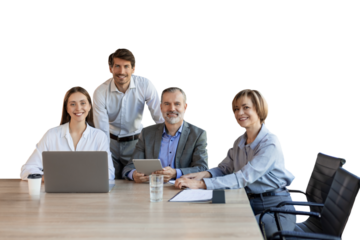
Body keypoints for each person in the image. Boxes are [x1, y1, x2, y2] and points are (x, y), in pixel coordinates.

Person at [174, 87, 296, 238]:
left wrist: (201, 184)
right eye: (236, 109)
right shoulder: (240, 139)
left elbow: (242, 178)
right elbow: (224, 168)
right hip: (247, 199)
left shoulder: (269, 143)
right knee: (206, 216)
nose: (239, 113)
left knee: (236, 232)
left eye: (246, 108)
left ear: (258, 109)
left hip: (275, 208)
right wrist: (198, 176)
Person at [93, 46, 164, 179]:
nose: (122, 71)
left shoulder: (146, 85)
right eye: (117, 66)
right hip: (110, 143)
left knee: (139, 181)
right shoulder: (100, 91)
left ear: (133, 68)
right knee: (107, 181)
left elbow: (159, 120)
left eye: (126, 66)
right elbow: (101, 131)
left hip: (136, 143)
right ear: (110, 68)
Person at [19, 84, 115, 180]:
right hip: (56, 192)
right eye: (73, 104)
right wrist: (50, 179)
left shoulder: (99, 137)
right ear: (66, 108)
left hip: (88, 193)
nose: (78, 108)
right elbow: (26, 170)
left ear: (90, 106)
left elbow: (109, 174)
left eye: (83, 103)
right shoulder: (51, 135)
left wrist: (80, 178)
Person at [123, 85, 209, 183]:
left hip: (182, 189)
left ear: (185, 107)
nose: (172, 109)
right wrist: (133, 174)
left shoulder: (198, 134)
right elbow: (129, 167)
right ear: (161, 107)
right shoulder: (147, 132)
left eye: (177, 104)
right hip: (152, 190)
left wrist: (176, 173)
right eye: (167, 104)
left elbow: (203, 168)